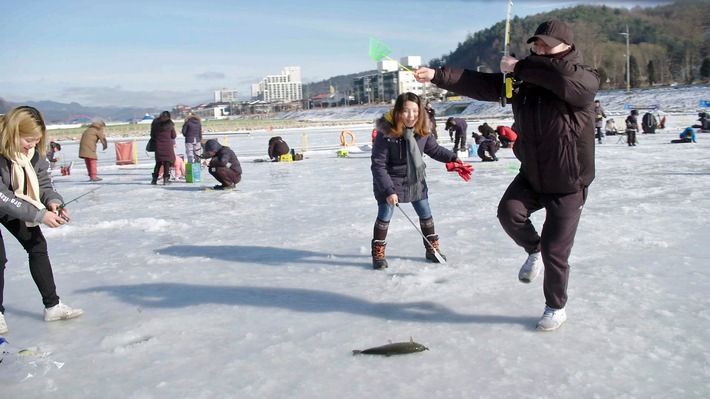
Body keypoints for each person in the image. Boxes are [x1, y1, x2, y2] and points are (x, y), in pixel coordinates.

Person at [415, 19, 600, 331]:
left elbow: (569, 85)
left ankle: (555, 307)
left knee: (557, 251)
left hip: (569, 181)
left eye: (545, 44)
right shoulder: (524, 80)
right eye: (535, 43)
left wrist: (521, 68)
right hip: (532, 174)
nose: (537, 48)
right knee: (508, 214)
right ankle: (533, 248)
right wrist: (437, 75)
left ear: (565, 46)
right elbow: (482, 85)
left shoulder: (583, 77)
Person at [0, 106, 85, 334]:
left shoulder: (33, 154)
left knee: (37, 246)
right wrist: (38, 214)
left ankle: (53, 306)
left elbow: (44, 182)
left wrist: (53, 202)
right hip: (5, 200)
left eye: (35, 141)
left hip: (17, 202)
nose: (31, 146)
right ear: (13, 133)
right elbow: (2, 196)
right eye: (28, 140)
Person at [370, 92, 471, 269]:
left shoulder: (422, 130)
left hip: (414, 178)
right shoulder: (386, 131)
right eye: (406, 111)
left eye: (415, 111)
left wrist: (453, 158)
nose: (411, 116)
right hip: (389, 178)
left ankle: (432, 249)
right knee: (385, 214)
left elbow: (434, 149)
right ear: (398, 111)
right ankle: (378, 253)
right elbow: (378, 165)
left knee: (425, 212)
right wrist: (388, 191)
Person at [150, 111, 177, 185]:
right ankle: (166, 180)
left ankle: (154, 180)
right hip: (167, 145)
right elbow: (173, 136)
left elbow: (152, 135)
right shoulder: (170, 123)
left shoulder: (155, 123)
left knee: (158, 163)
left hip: (158, 145)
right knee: (167, 163)